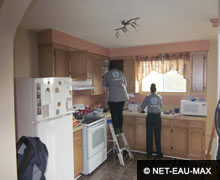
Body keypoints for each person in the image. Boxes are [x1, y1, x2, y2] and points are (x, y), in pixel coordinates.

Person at [102, 64, 129, 134]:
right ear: (116, 68)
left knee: (113, 113)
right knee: (119, 112)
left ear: (109, 69)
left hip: (113, 97)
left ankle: (116, 129)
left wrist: (108, 91)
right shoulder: (121, 73)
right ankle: (120, 128)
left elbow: (104, 89)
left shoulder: (107, 74)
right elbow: (125, 84)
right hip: (123, 96)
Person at [141, 83, 163, 159]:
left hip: (150, 117)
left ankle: (149, 153)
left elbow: (142, 106)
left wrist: (147, 108)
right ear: (156, 90)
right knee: (157, 136)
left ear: (150, 90)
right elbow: (161, 106)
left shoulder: (147, 97)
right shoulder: (159, 97)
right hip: (157, 117)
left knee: (149, 136)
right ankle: (159, 154)